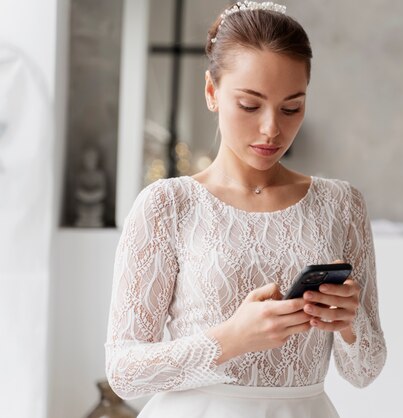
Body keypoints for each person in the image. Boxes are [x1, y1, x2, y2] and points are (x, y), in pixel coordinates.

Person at [104, 2, 386, 416]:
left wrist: (349, 323)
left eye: (292, 107)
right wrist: (232, 338)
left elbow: (365, 371)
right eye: (250, 105)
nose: (272, 128)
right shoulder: (167, 205)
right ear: (212, 92)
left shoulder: (342, 204)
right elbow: (124, 372)